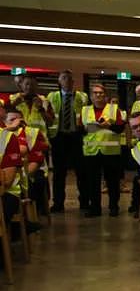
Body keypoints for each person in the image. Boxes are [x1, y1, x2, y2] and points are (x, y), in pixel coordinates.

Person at [46, 71, 89, 212]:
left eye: (70, 78)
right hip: (59, 137)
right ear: (59, 81)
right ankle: (58, 204)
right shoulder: (52, 97)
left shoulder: (82, 96)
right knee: (59, 173)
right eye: (64, 78)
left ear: (73, 81)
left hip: (76, 137)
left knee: (81, 172)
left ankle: (84, 202)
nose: (67, 81)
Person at [81, 83, 125, 217]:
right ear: (91, 96)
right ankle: (95, 208)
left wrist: (109, 125)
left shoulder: (114, 109)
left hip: (110, 151)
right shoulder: (85, 110)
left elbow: (120, 128)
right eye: (95, 93)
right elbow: (80, 130)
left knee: (112, 182)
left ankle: (113, 207)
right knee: (92, 182)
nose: (98, 95)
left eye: (101, 93)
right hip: (91, 151)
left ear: (105, 96)